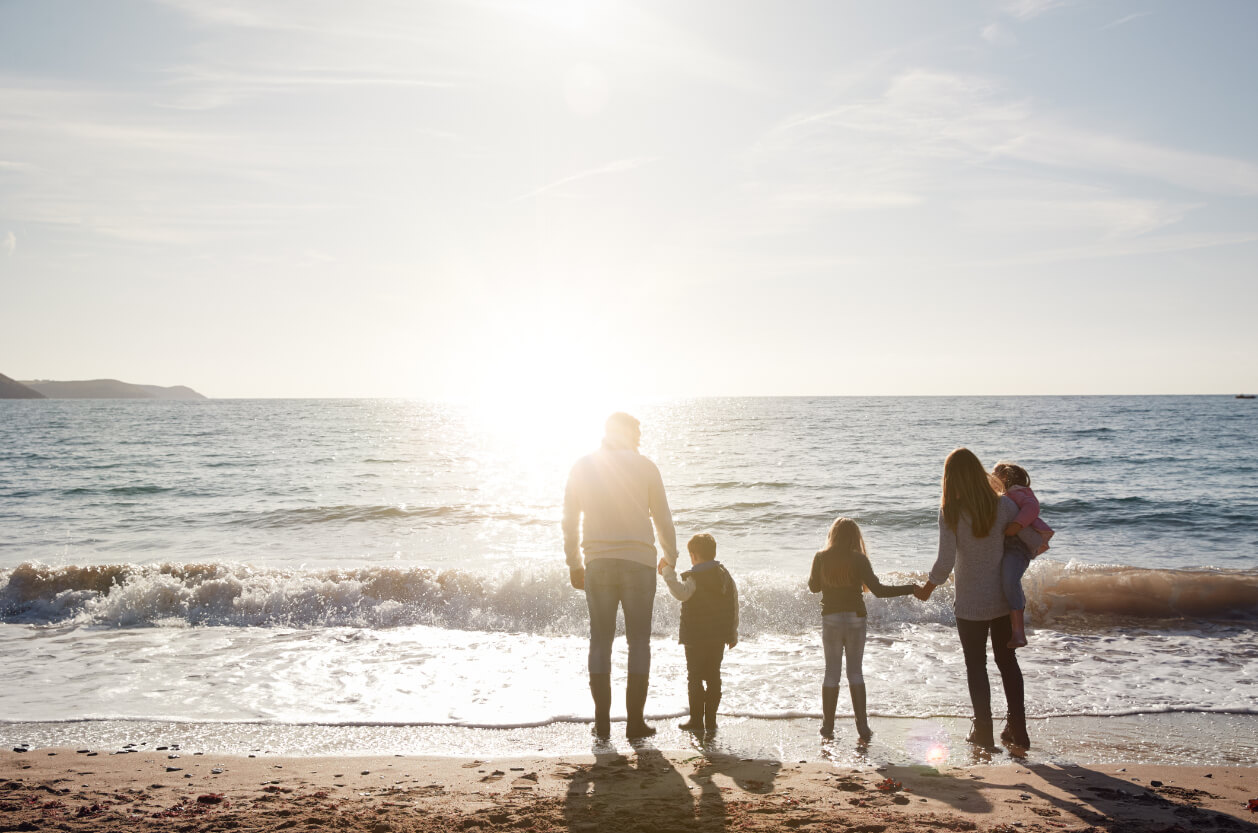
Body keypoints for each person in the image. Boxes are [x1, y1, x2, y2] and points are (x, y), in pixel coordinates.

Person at [563, 412, 678, 740]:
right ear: (631, 435)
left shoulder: (583, 466)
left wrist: (574, 562)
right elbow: (663, 519)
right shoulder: (647, 468)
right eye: (637, 433)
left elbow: (569, 519)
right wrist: (670, 556)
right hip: (640, 563)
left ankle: (602, 724)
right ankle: (634, 724)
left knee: (600, 640)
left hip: (597, 562)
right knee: (639, 642)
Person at [916, 448, 1030, 750]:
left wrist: (928, 588)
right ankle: (1019, 729)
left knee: (976, 667)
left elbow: (945, 561)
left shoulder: (951, 512)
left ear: (950, 479)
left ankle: (984, 733)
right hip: (1003, 600)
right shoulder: (1004, 506)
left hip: (969, 604)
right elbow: (1025, 537)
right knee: (1008, 663)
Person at [808, 518, 918, 741]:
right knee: (855, 672)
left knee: (831, 672)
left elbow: (813, 587)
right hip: (856, 618)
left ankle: (827, 726)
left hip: (830, 618)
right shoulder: (859, 559)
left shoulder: (821, 557)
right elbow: (878, 590)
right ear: (854, 537)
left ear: (833, 534)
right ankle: (863, 727)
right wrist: (912, 588)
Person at [661, 533, 739, 736]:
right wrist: (732, 633)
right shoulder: (725, 576)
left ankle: (696, 720)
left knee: (694, 677)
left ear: (693, 555)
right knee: (713, 677)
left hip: (695, 637)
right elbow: (734, 604)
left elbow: (681, 593)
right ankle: (711, 720)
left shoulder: (694, 578)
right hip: (717, 638)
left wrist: (667, 573)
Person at [990, 461, 1054, 650]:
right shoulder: (1000, 497)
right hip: (1003, 545)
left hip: (1018, 546)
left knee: (1010, 580)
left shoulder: (1020, 492)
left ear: (1005, 477)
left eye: (995, 474)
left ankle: (1019, 632)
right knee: (1001, 581)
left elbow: (1032, 508)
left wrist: (1017, 525)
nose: (991, 478)